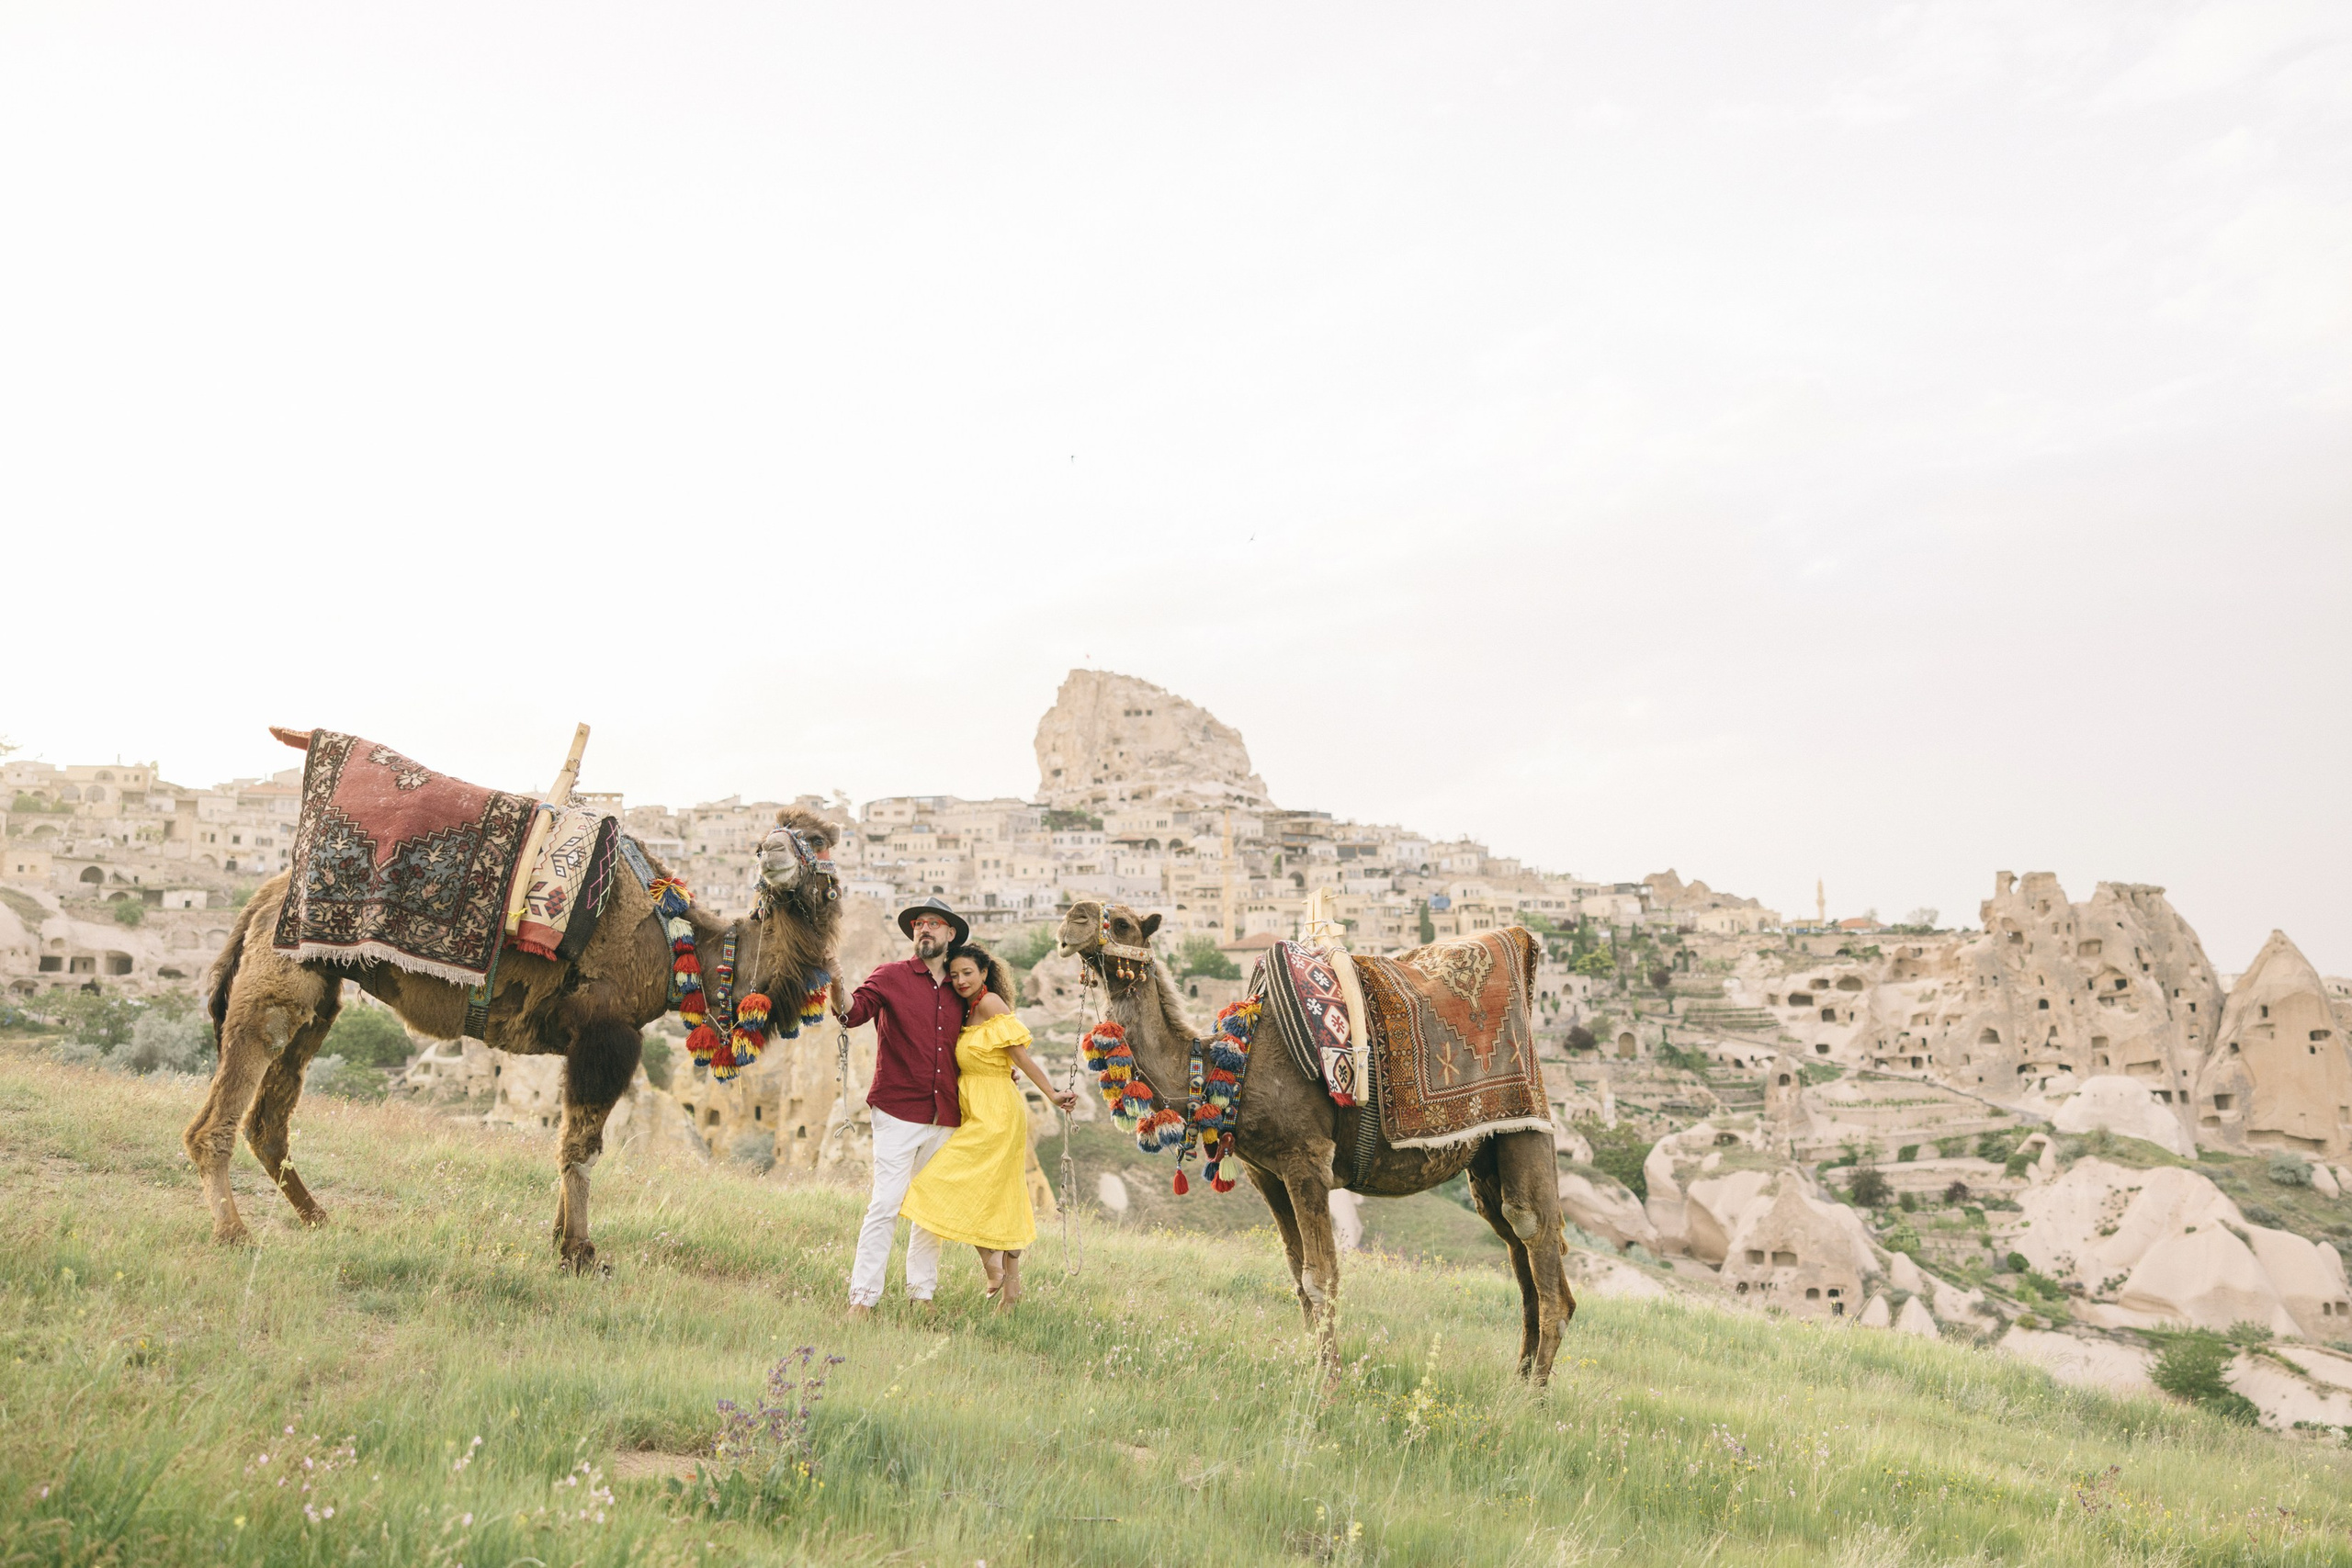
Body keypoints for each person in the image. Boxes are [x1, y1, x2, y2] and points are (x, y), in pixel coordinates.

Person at [900, 942, 1079, 1307]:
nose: (961, 980)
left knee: (939, 1182)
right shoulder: (964, 1010)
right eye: (954, 975)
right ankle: (1010, 1293)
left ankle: (993, 1267)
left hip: (996, 1113)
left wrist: (1052, 1094)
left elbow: (1021, 1057)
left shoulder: (991, 1003)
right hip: (975, 1109)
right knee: (1000, 1195)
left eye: (968, 973)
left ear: (984, 973)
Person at [838, 897, 976, 1317]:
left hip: (946, 1113)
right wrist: (834, 982)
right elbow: (852, 1013)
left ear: (950, 933)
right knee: (885, 1204)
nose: (924, 929)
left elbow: (982, 1037)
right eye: (918, 924)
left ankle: (921, 1295)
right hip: (897, 1110)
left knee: (929, 1209)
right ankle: (862, 1299)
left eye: (933, 923)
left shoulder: (963, 986)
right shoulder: (891, 975)